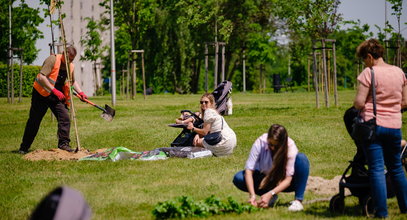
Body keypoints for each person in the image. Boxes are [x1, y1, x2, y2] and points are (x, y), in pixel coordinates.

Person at [353, 38, 407, 218]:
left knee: (376, 168)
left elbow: (360, 102)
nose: (364, 63)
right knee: (396, 168)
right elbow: (405, 102)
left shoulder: (369, 73)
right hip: (394, 126)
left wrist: (364, 107)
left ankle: (381, 212)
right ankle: (405, 207)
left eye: (364, 59)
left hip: (373, 126)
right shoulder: (399, 72)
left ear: (369, 56)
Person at [19, 46, 87, 154]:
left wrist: (81, 92)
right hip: (41, 94)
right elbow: (41, 77)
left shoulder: (71, 66)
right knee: (34, 121)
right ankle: (24, 147)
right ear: (64, 53)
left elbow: (72, 81)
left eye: (72, 59)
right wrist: (54, 90)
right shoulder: (52, 60)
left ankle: (63, 145)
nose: (70, 61)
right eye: (69, 58)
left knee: (65, 117)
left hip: (56, 96)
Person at [232, 124, 309, 211]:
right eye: (270, 144)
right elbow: (249, 170)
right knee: (239, 178)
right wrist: (252, 195)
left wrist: (271, 193)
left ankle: (298, 201)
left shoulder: (290, 146)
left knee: (301, 159)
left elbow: (288, 180)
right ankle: (268, 197)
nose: (272, 148)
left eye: (276, 146)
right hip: (267, 178)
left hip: (286, 182)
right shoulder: (260, 142)